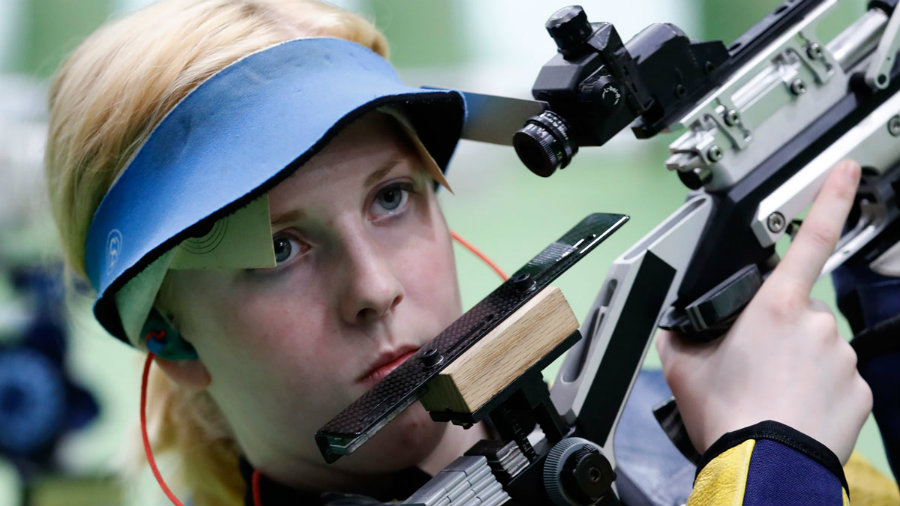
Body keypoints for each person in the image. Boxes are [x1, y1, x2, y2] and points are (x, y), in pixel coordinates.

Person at [43, 1, 874, 505]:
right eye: (281, 247)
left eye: (391, 197)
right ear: (169, 340)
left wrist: (886, 290)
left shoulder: (675, 415)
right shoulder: (753, 436)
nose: (374, 289)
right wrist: (775, 462)